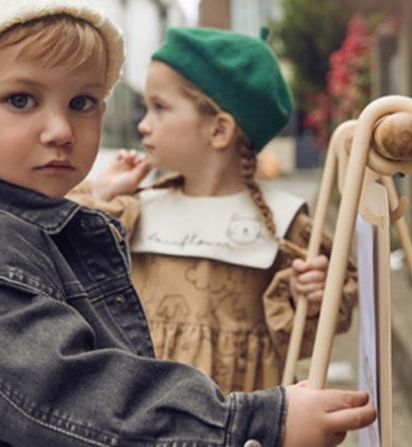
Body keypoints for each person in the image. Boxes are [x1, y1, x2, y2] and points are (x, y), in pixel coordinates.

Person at [0, 1, 374, 445]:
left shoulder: (282, 221)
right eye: (21, 99)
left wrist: (308, 299)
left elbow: (316, 322)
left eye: (82, 102)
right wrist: (249, 423)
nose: (61, 130)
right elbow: (75, 394)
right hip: (186, 422)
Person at [69, 26, 358, 394]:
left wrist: (313, 297)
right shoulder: (133, 212)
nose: (143, 125)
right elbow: (47, 240)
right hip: (146, 412)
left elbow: (311, 338)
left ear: (220, 129)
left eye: (159, 107)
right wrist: (100, 190)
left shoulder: (286, 230)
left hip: (242, 419)